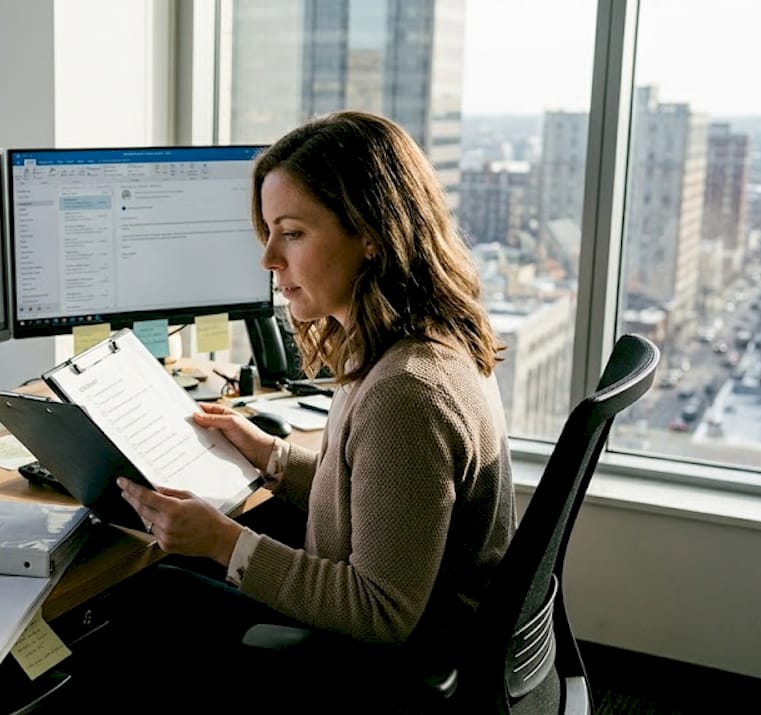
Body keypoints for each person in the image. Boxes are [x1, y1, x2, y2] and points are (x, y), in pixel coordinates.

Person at [77, 110, 514, 708]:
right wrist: (271, 456)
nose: (269, 260)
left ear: (371, 233)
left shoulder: (406, 392)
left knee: (146, 599)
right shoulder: (416, 341)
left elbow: (381, 610)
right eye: (267, 232)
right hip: (431, 631)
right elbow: (383, 502)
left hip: (392, 661)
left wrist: (224, 542)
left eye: (293, 233)